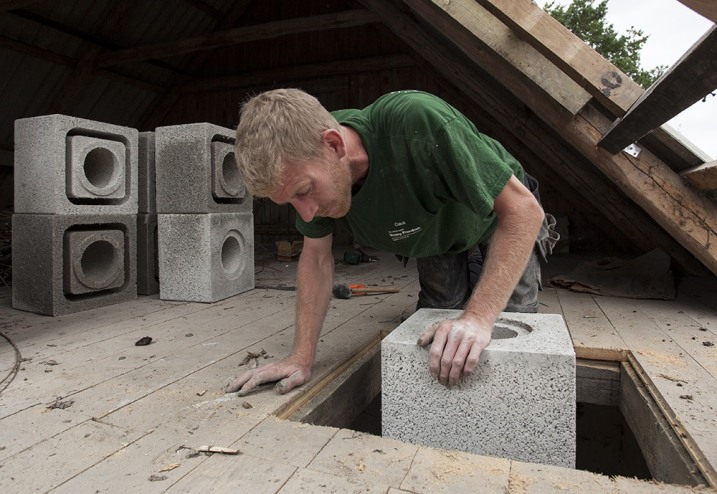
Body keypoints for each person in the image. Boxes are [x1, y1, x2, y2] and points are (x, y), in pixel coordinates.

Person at [227, 88, 558, 396]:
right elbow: (315, 258)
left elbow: (523, 212)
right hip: (431, 232)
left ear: (334, 145)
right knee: (436, 333)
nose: (308, 215)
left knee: (509, 329)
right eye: (291, 202)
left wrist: (477, 318)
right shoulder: (311, 161)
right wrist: (300, 357)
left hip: (498, 217)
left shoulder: (418, 121)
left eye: (303, 192)